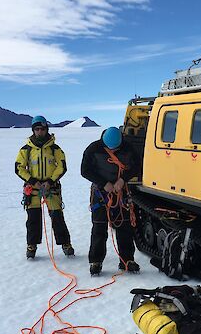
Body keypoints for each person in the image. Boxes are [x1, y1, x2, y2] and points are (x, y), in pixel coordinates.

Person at [81, 126, 141, 276]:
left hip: (121, 192)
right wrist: (104, 183)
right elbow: (85, 170)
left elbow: (137, 166)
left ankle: (127, 260)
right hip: (101, 193)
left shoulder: (128, 148)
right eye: (110, 149)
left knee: (124, 226)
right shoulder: (93, 149)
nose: (113, 151)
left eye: (116, 149)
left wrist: (123, 179)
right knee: (99, 227)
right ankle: (96, 261)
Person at [15, 115, 74, 259]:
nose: (40, 132)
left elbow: (61, 166)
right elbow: (19, 167)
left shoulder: (54, 148)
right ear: (33, 130)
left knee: (57, 217)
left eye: (42, 129)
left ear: (46, 129)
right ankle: (32, 245)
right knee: (33, 219)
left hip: (51, 189)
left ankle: (65, 243)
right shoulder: (26, 149)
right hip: (33, 190)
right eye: (37, 129)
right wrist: (33, 181)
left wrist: (50, 181)